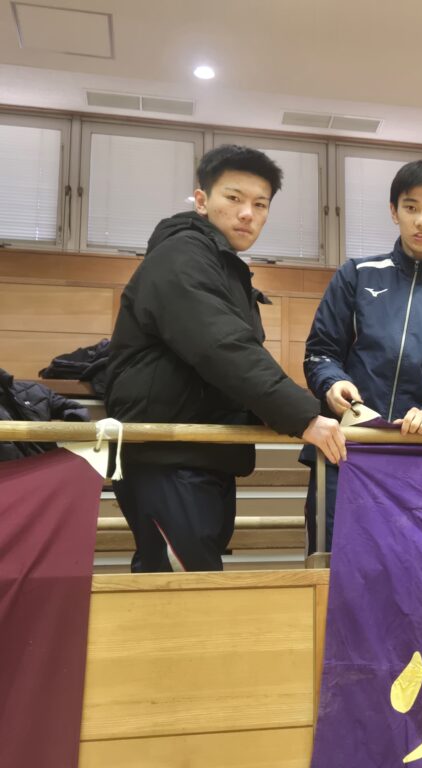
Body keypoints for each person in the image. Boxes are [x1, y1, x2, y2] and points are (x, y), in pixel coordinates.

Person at [105, 144, 346, 573]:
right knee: (182, 592)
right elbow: (223, 347)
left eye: (260, 204)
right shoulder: (181, 255)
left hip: (199, 455)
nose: (247, 214)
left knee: (190, 586)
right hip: (169, 456)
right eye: (233, 198)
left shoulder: (222, 265)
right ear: (202, 200)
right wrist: (304, 415)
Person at [302, 159, 422, 550]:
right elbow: (321, 352)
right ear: (394, 211)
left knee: (410, 569)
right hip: (344, 451)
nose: (421, 220)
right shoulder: (357, 274)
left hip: (420, 458)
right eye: (411, 207)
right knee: (332, 567)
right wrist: (333, 382)